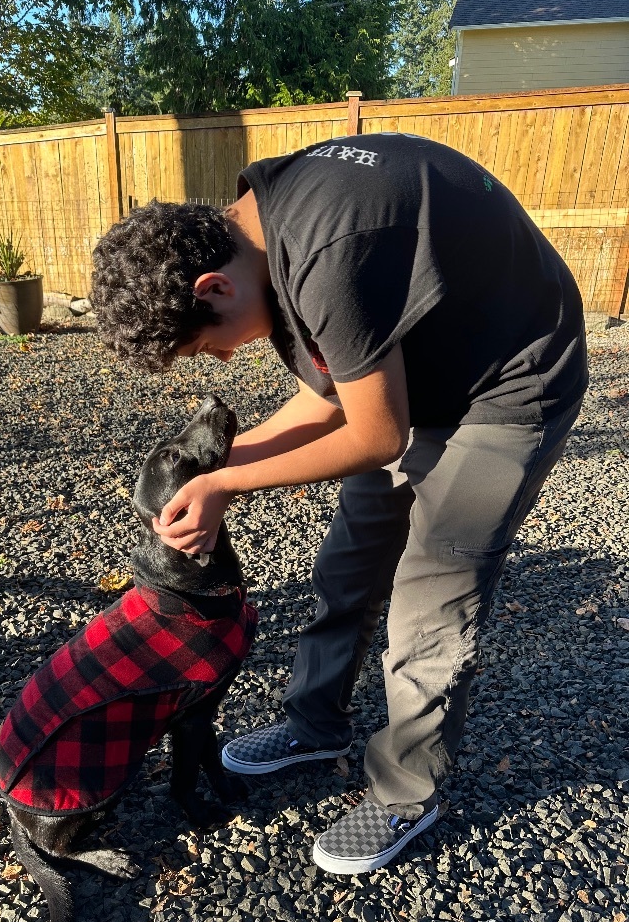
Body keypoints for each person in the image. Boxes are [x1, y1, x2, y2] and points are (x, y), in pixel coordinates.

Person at [89, 132, 588, 875]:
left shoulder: (325, 250)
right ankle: (314, 724)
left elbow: (377, 434)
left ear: (213, 289)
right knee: (349, 566)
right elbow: (328, 398)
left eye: (206, 347)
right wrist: (214, 466)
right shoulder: (258, 229)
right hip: (423, 376)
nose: (223, 359)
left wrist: (225, 484)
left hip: (510, 383)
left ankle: (407, 791)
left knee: (431, 598)